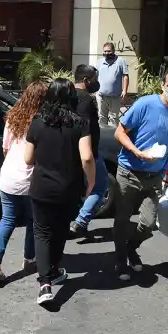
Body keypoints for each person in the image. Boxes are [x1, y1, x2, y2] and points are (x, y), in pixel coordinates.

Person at [112, 65, 168, 281]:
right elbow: (120, 132)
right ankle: (120, 259)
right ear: (162, 85)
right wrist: (137, 152)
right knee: (122, 219)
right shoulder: (145, 104)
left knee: (148, 223)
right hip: (128, 172)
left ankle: (130, 248)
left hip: (155, 176)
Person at [23, 78, 96, 306]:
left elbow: (27, 158)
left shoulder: (37, 122)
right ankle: (53, 269)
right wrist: (90, 183)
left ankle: (45, 283)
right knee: (61, 230)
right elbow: (86, 157)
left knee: (42, 233)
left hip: (42, 187)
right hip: (69, 188)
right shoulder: (80, 123)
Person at [0, 81, 47, 282]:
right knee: (32, 221)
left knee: (7, 220)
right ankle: (29, 259)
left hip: (9, 177)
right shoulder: (41, 120)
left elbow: (5, 148)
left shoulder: (13, 117)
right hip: (30, 180)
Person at [70, 64, 106, 237]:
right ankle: (81, 221)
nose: (96, 82)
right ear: (86, 80)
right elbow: (84, 128)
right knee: (100, 186)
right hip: (88, 152)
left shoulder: (66, 95)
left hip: (69, 151)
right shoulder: (86, 99)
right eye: (94, 79)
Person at [97, 42, 129, 127]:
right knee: (101, 117)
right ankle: (102, 137)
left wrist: (125, 90)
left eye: (109, 51)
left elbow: (125, 76)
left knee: (114, 119)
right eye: (105, 51)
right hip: (101, 96)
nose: (106, 53)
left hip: (115, 97)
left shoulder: (121, 61)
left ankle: (112, 138)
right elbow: (95, 76)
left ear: (114, 51)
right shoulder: (99, 62)